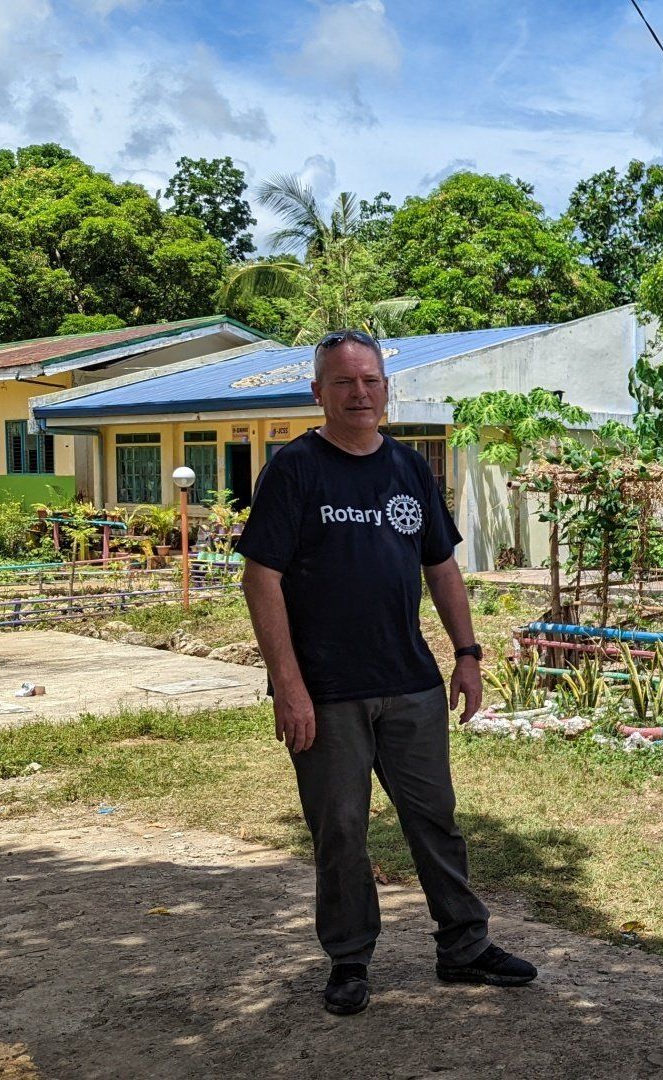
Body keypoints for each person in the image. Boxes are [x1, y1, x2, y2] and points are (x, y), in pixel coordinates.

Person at [237, 328, 536, 1016]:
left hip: (411, 684)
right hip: (327, 692)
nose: (360, 393)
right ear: (318, 393)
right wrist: (288, 686)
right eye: (343, 382)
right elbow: (262, 579)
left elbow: (442, 567)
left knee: (435, 820)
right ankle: (349, 958)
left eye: (370, 381)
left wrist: (467, 654)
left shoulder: (407, 469)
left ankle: (463, 945)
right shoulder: (295, 470)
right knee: (340, 827)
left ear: (386, 389)